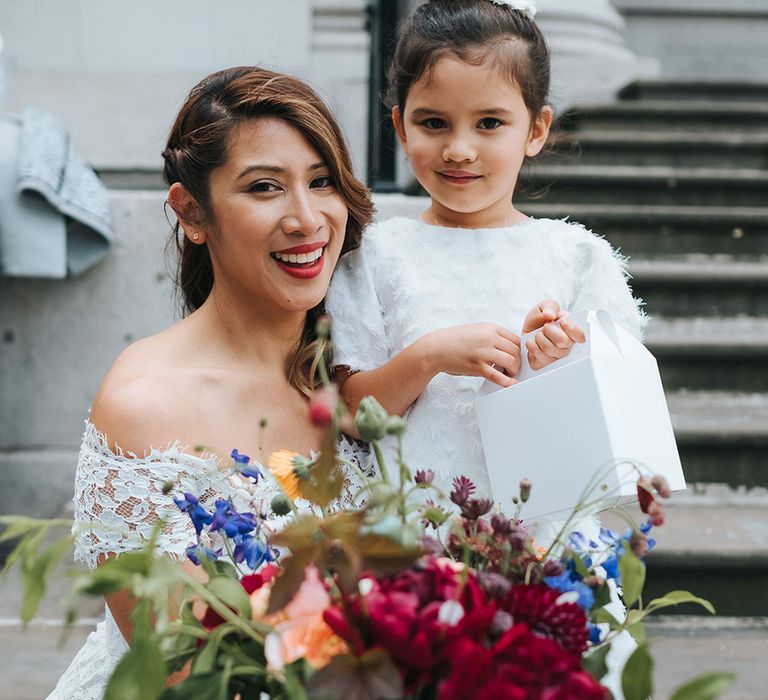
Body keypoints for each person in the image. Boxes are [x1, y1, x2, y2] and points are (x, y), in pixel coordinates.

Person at [324, 2, 645, 694]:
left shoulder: (575, 257)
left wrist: (553, 362)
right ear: (397, 125)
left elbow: (618, 426)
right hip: (419, 539)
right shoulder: (376, 253)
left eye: (489, 124)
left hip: (545, 545)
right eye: (433, 123)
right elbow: (353, 411)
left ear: (537, 130)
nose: (459, 149)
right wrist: (429, 355)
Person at [47, 66, 375, 699]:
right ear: (192, 211)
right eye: (264, 188)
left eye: (322, 182)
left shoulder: (359, 375)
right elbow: (185, 668)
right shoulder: (147, 405)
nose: (307, 219)